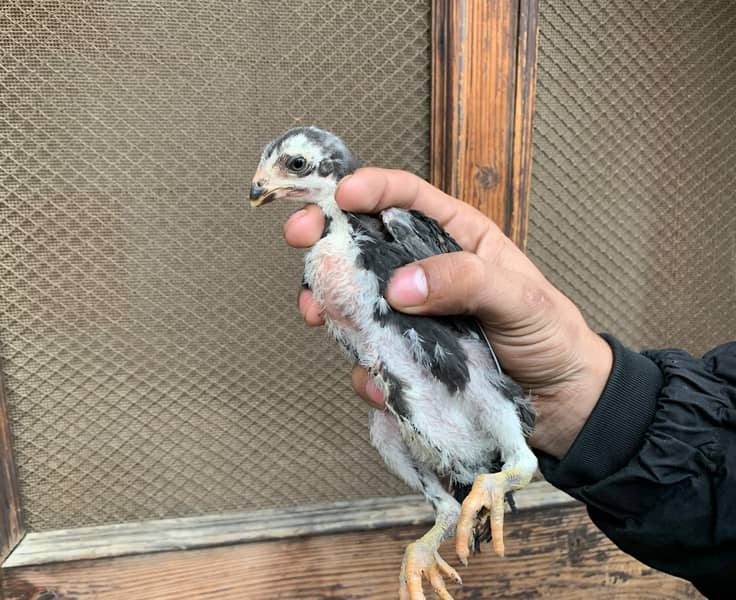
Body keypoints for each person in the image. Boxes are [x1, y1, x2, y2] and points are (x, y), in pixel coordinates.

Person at [283, 167, 735, 599]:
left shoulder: (392, 226)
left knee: (464, 379)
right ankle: (439, 518)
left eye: (295, 167)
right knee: (384, 428)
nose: (271, 184)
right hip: (414, 396)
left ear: (328, 170)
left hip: (470, 383)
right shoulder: (320, 259)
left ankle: (516, 467)